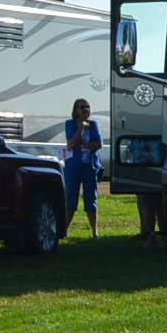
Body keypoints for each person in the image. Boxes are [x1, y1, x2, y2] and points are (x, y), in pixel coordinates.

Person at [60, 96, 102, 238]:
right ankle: (64, 230)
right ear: (76, 110)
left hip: (89, 166)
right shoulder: (70, 124)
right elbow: (71, 144)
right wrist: (81, 128)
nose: (85, 109)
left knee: (91, 198)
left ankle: (94, 231)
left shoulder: (94, 124)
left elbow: (98, 144)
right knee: (71, 197)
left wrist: (85, 145)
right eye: (82, 107)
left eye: (87, 107)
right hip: (73, 166)